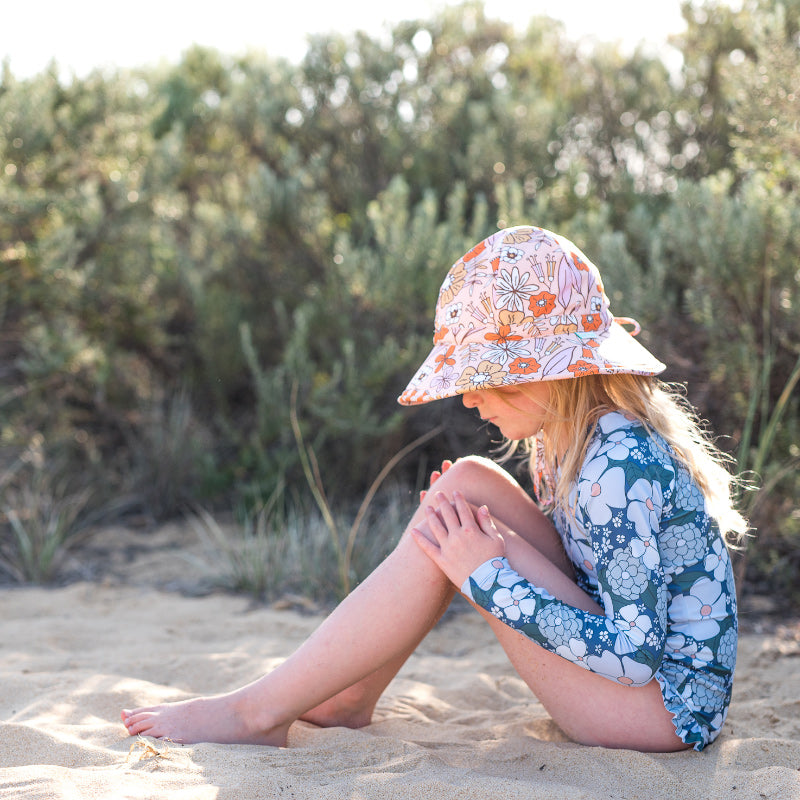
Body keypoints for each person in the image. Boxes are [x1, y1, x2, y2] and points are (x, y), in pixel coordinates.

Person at [122, 224, 746, 752]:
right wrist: (479, 558)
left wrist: (489, 578)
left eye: (484, 377)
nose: (470, 398)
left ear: (550, 375)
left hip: (661, 713)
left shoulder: (617, 469)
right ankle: (343, 701)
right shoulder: (570, 446)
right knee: (466, 488)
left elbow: (635, 656)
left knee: (460, 538)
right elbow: (592, 579)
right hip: (638, 679)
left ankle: (256, 713)